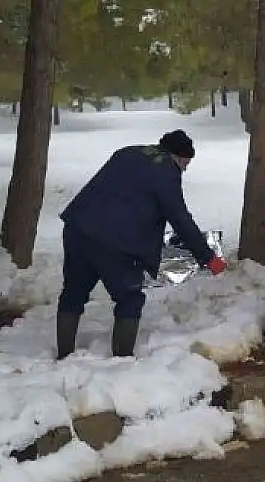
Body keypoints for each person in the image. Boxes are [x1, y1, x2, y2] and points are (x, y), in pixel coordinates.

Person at [55, 130, 228, 360]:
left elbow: (123, 193)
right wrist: (208, 258)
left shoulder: (128, 153)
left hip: (78, 228)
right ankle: (123, 359)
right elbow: (179, 218)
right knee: (129, 298)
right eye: (186, 163)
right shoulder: (166, 172)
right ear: (177, 156)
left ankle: (64, 355)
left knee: (73, 292)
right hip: (114, 242)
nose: (185, 169)